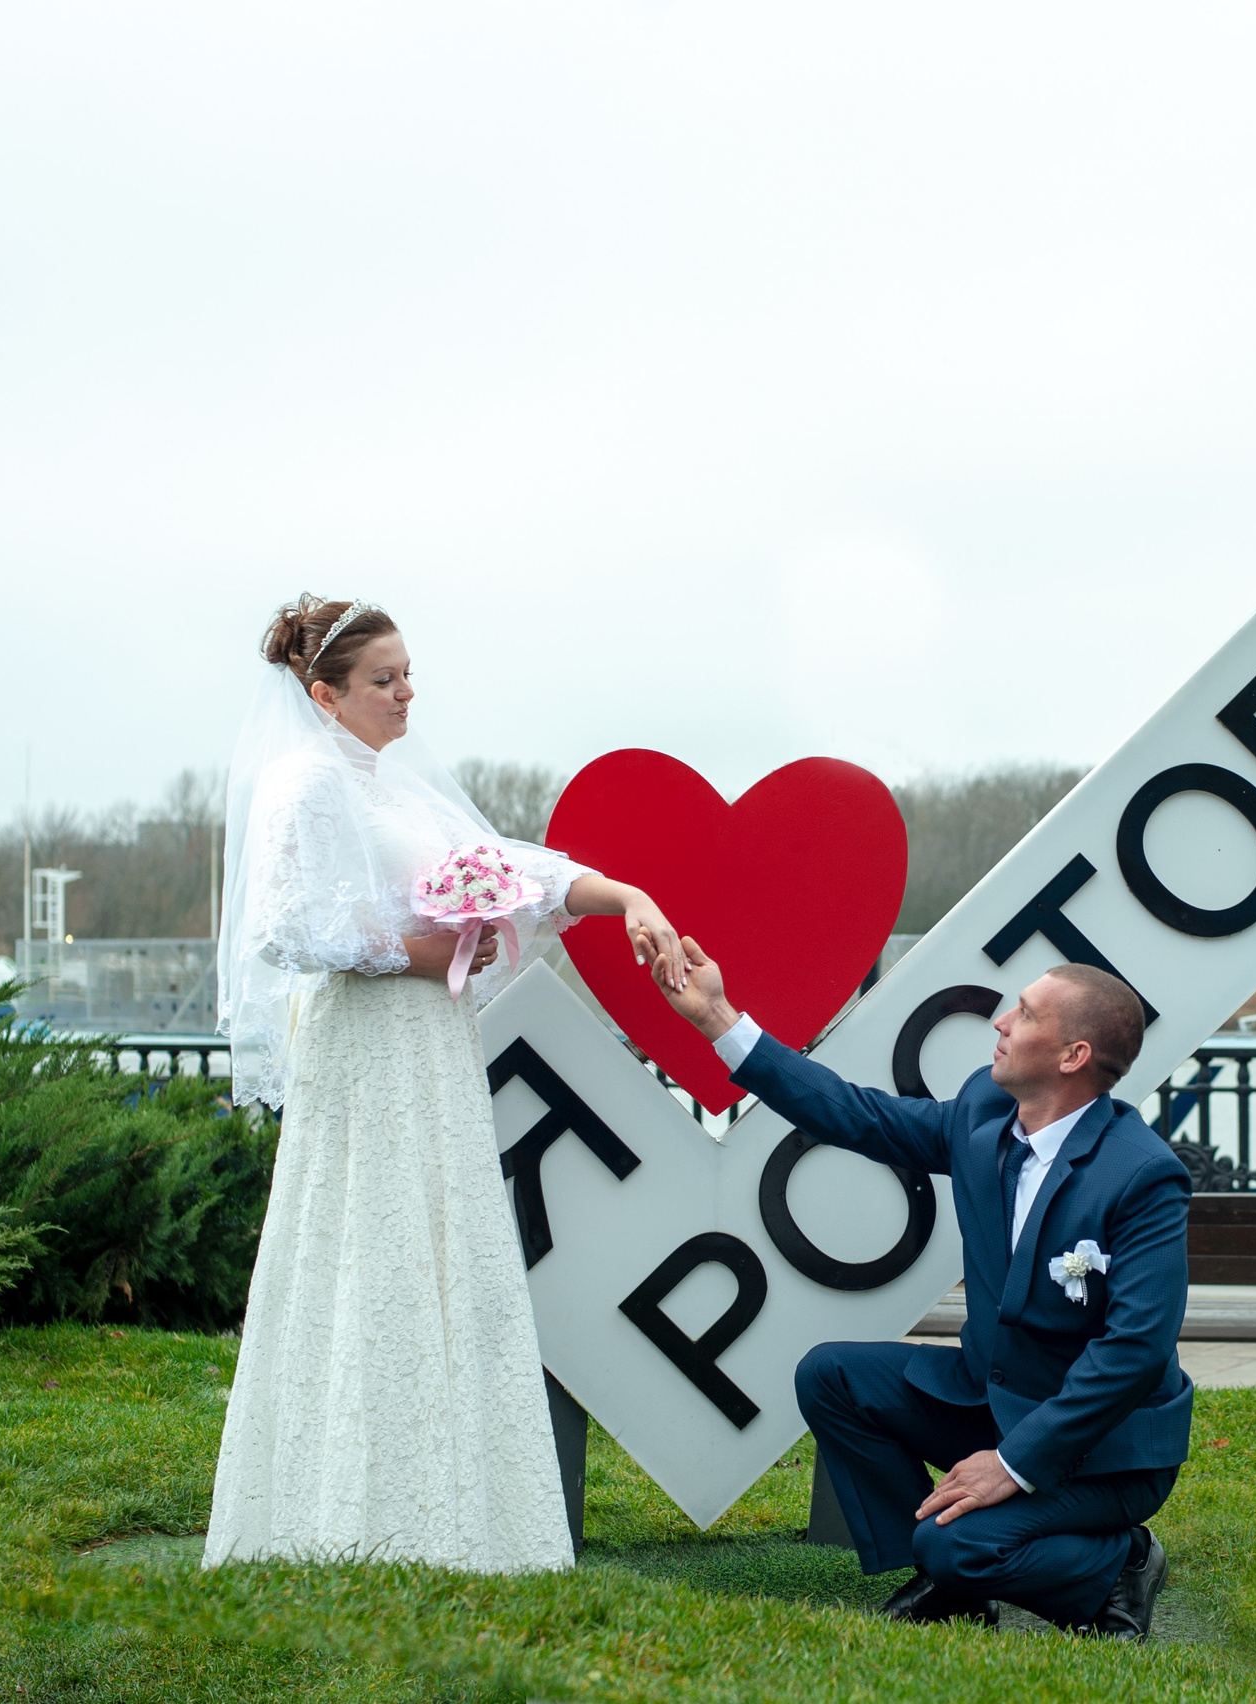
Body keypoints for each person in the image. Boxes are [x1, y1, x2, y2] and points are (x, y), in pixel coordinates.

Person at [205, 595, 684, 1573]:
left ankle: (462, 1511)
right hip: (367, 1042)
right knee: (367, 1246)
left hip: (433, 1041)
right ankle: (341, 1511)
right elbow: (287, 927)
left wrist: (625, 895)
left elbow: (509, 870)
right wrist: (420, 953)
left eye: (408, 674)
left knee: (441, 1241)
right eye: (383, 680)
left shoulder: (401, 791)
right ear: (325, 695)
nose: (405, 694)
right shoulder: (306, 784)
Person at [660, 939, 1189, 1637]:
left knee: (959, 1547)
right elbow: (855, 1113)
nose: (1001, 1021)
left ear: (1073, 1056)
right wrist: (719, 1019)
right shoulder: (982, 1115)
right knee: (832, 1376)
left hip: (1105, 1450)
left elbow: (1135, 1351)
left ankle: (1122, 1562)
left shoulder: (1143, 1176)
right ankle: (947, 1582)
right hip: (991, 1395)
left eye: (1026, 1014)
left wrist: (1013, 1465)